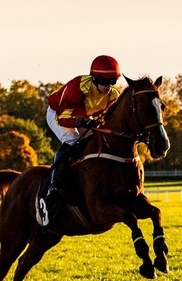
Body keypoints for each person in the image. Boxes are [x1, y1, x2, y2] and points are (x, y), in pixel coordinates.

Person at [38, 55, 122, 225]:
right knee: (72, 139)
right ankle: (56, 180)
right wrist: (82, 122)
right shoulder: (78, 87)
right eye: (105, 82)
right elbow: (63, 118)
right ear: (95, 79)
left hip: (83, 117)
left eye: (113, 81)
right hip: (59, 113)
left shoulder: (113, 95)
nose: (109, 86)